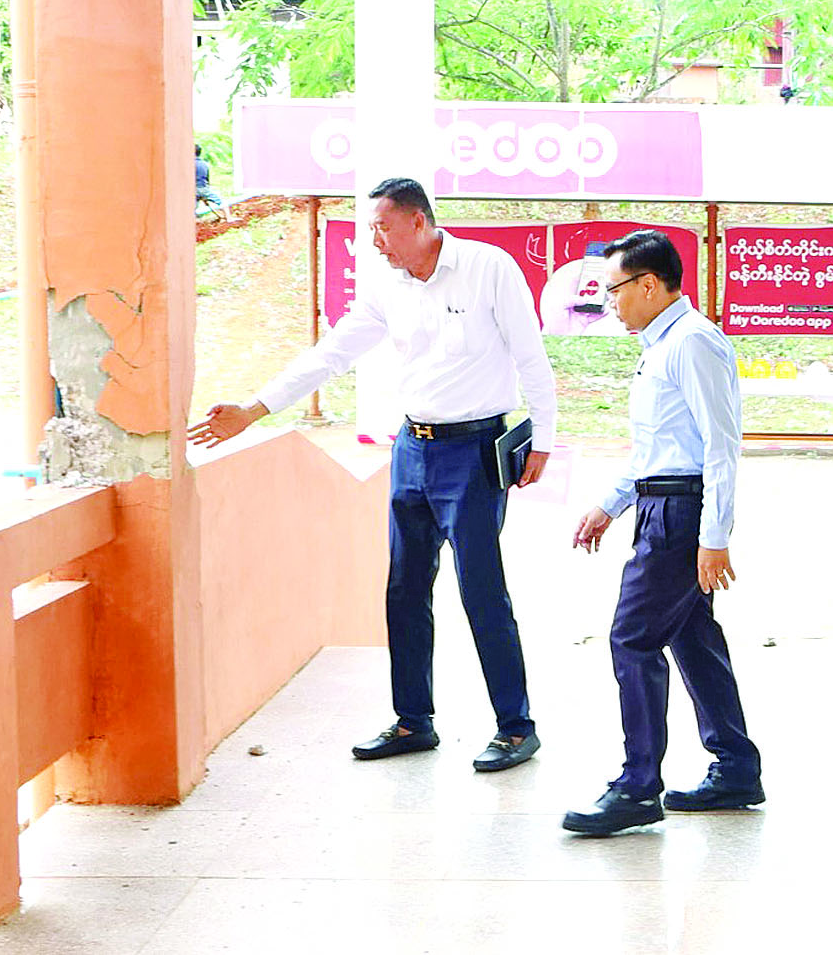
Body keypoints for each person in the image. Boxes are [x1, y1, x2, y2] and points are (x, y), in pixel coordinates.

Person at [188, 177, 557, 772]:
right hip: (412, 449)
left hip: (473, 452)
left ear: (418, 221)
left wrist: (544, 438)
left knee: (481, 590)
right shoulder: (387, 286)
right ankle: (413, 720)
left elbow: (530, 355)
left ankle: (515, 728)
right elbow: (331, 353)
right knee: (403, 589)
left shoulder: (488, 268)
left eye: (383, 228)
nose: (376, 241)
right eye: (370, 230)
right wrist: (254, 410)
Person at [564, 230, 763, 837]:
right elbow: (657, 447)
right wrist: (611, 504)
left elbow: (721, 444)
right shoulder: (662, 344)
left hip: (681, 515)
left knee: (632, 640)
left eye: (614, 289)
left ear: (649, 285)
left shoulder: (693, 342)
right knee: (692, 638)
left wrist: (714, 536)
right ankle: (736, 768)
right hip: (660, 505)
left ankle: (637, 786)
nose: (610, 301)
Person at [195, 143, 231, 222]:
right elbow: (207, 179)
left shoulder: (189, 164)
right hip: (204, 188)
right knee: (222, 203)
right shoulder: (204, 164)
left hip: (193, 190)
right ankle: (229, 218)